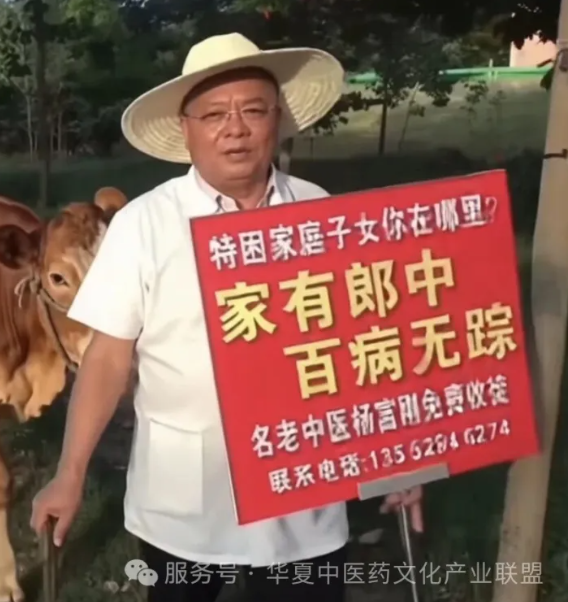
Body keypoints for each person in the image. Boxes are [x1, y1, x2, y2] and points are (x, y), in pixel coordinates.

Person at [30, 33, 424, 602]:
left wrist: (399, 457)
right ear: (186, 129)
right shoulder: (145, 224)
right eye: (215, 114)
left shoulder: (320, 212)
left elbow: (362, 343)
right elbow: (107, 358)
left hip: (302, 495)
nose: (234, 129)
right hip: (184, 502)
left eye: (252, 111)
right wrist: (69, 473)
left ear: (277, 120)